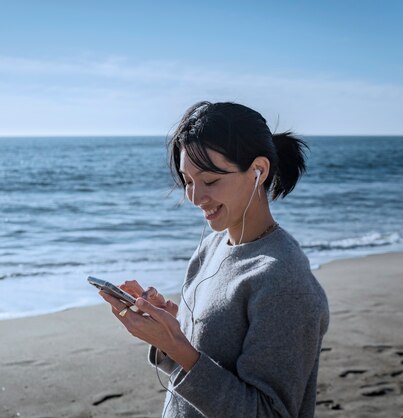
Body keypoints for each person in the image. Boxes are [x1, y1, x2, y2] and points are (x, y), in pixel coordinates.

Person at [99, 101, 329, 418]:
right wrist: (167, 334)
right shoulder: (211, 247)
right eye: (188, 181)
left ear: (258, 171)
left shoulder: (284, 283)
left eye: (209, 181)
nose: (194, 197)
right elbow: (205, 367)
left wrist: (179, 346)